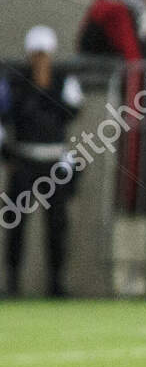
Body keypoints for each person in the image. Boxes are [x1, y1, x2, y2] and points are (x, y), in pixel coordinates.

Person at [2, 25, 83, 297]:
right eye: (36, 54)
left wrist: (46, 89)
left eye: (44, 54)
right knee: (16, 222)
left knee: (57, 225)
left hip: (53, 162)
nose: (40, 59)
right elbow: (6, 120)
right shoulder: (15, 82)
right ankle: (13, 281)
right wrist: (6, 155)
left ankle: (56, 282)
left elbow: (70, 112)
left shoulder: (63, 81)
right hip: (24, 160)